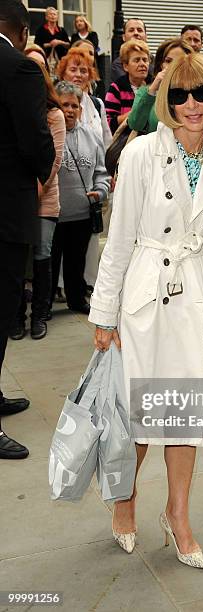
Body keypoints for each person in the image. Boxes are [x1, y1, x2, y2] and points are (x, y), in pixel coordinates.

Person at [89, 52, 203, 567]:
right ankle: (126, 501)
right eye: (181, 95)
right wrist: (104, 314)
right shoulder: (140, 153)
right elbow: (117, 242)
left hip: (196, 295)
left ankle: (178, 514)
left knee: (184, 415)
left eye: (202, 94)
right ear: (167, 101)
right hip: (145, 296)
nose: (192, 105)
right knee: (140, 419)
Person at [0, 0, 55, 460]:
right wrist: (43, 169)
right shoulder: (17, 68)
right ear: (19, 30)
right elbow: (35, 138)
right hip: (4, 212)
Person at [10, 60, 65, 341]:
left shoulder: (54, 114)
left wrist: (32, 194)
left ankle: (40, 315)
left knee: (43, 255)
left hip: (43, 197)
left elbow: (53, 161)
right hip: (17, 198)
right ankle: (16, 317)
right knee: (18, 260)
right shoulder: (12, 108)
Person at [50, 81, 110, 315]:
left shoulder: (92, 137)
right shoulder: (48, 134)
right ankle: (44, 306)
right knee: (50, 265)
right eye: (64, 104)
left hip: (82, 213)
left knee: (76, 263)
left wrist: (101, 191)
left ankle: (76, 301)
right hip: (53, 215)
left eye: (74, 105)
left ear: (80, 109)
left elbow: (101, 172)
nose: (70, 110)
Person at [126, 38, 193, 135]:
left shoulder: (197, 93)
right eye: (168, 61)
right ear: (161, 65)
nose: (172, 66)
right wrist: (153, 89)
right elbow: (135, 125)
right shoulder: (146, 91)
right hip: (155, 149)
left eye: (179, 61)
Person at [105, 39, 150, 134]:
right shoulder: (116, 88)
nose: (142, 64)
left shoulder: (154, 86)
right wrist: (137, 112)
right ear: (126, 66)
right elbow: (108, 124)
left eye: (145, 60)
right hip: (125, 142)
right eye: (137, 60)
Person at [111, 18, 149, 82]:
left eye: (139, 30)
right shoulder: (118, 65)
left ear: (146, 36)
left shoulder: (154, 61)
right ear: (124, 37)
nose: (136, 33)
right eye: (131, 30)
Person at [34, 6, 70, 75]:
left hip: (61, 60)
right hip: (45, 60)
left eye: (54, 14)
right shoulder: (41, 30)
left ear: (57, 17)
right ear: (46, 17)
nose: (52, 16)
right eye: (50, 14)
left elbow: (69, 45)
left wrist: (60, 42)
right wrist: (50, 44)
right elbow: (36, 45)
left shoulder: (61, 30)